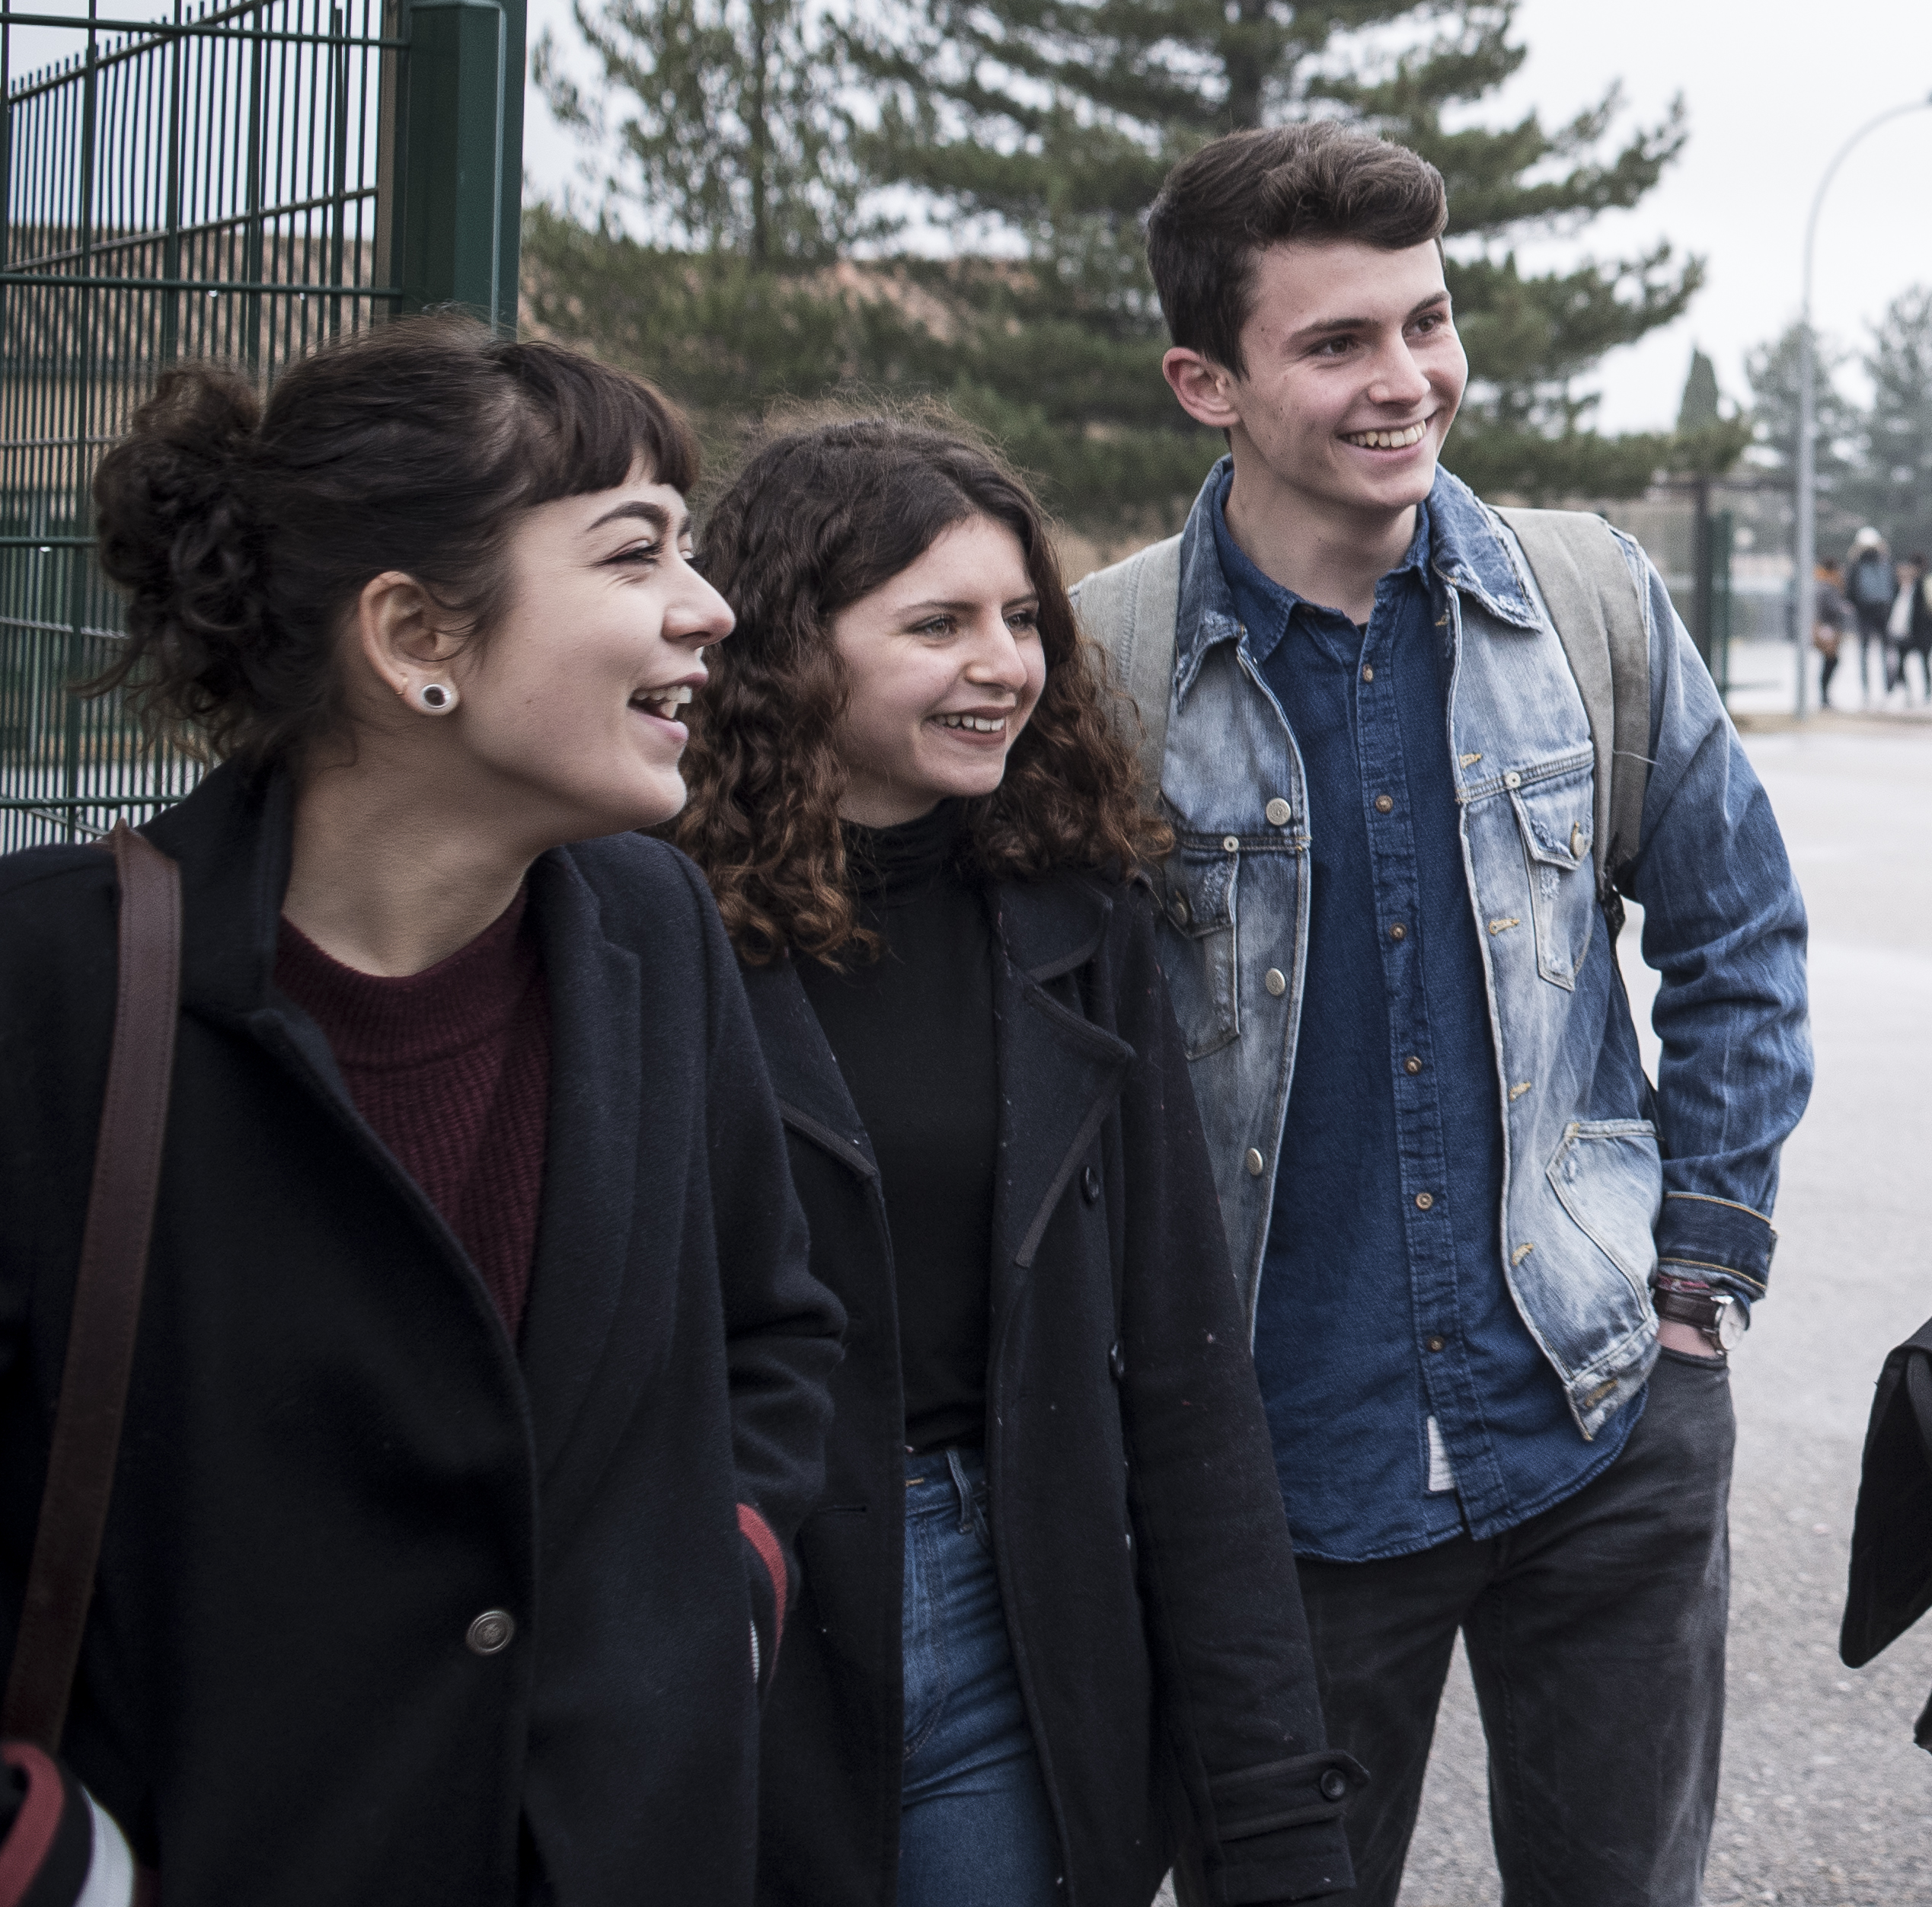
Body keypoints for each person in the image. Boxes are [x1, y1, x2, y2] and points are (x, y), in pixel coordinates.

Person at [0, 317, 841, 1901]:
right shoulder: (50, 985)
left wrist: (714, 1598)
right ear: (413, 637)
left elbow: (773, 1333)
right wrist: (56, 1870)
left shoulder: (655, 928)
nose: (708, 604)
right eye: (632, 548)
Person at [1071, 121, 1814, 1907]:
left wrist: (1699, 1269)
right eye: (1336, 342)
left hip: (1599, 1418)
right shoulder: (1101, 666)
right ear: (1206, 380)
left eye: (1427, 320)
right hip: (1276, 1476)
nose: (1406, 379)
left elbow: (1739, 936)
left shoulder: (1588, 604)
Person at [681, 414, 1357, 1907]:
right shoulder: (640, 919)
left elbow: (1181, 1367)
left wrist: (1273, 1813)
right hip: (736, 1605)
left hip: (1018, 1595)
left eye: (1020, 617)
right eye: (938, 623)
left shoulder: (1071, 907)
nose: (1006, 662)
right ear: (788, 645)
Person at [1842, 529, 1897, 704]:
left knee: (1866, 653)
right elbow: (1893, 588)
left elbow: (1850, 591)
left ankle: (1869, 691)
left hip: (1865, 612)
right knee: (1884, 652)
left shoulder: (1857, 564)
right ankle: (1884, 689)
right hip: (1882, 612)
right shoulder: (1885, 561)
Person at [1889, 554, 1932, 704]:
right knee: (1902, 663)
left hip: (1921, 633)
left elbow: (1920, 613)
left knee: (1924, 663)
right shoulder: (1901, 587)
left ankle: (1927, 692)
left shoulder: (1921, 586)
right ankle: (1908, 693)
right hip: (1907, 634)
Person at [1807, 560, 1847, 710]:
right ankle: (1824, 694)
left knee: (1830, 661)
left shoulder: (1822, 585)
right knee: (1831, 660)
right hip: (1827, 629)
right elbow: (1832, 608)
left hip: (1826, 628)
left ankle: (1824, 694)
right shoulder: (1827, 587)